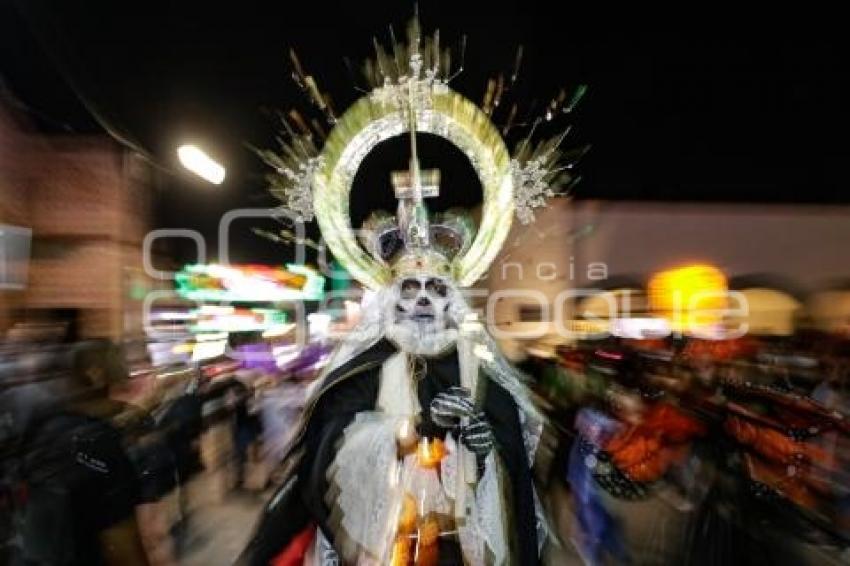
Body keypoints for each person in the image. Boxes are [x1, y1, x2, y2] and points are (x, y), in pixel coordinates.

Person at [16, 339, 149, 565]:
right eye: (120, 366)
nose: (127, 374)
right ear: (96, 375)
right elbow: (123, 546)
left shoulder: (45, 425)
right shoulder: (101, 445)